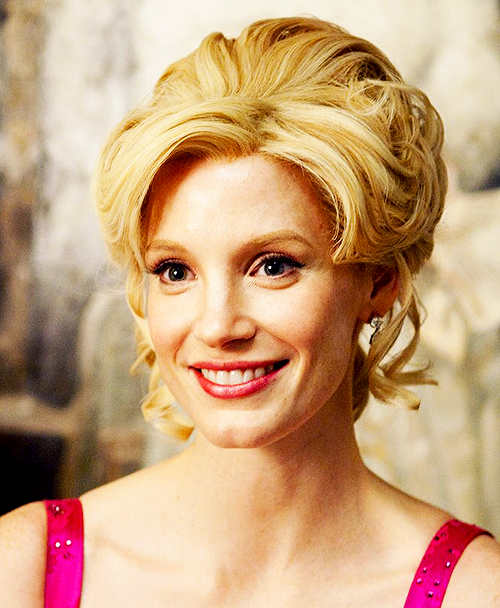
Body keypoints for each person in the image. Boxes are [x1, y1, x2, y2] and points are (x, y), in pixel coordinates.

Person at [1, 16, 499, 608]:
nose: (217, 326)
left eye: (273, 266)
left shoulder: (474, 590)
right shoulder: (24, 568)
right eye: (175, 271)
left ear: (380, 281)